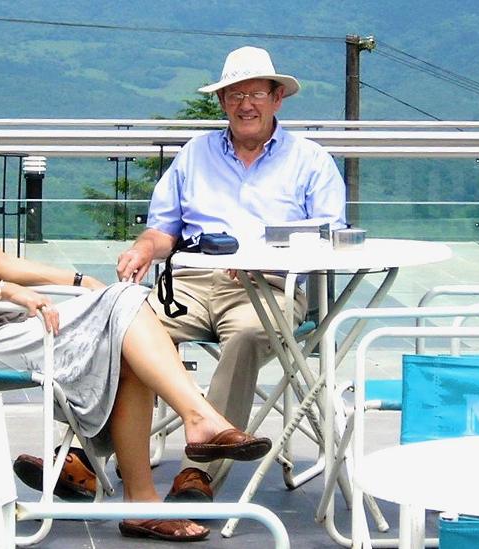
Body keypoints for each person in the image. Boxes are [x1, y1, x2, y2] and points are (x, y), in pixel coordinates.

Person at [0, 85, 273, 542]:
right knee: (126, 311)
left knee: (125, 323)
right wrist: (4, 292)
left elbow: (0, 261)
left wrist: (78, 281)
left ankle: (145, 495)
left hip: (7, 330)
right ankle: (198, 424)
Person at [24, 45, 347, 503]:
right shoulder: (195, 155)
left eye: (255, 92)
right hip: (190, 283)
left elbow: (326, 238)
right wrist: (141, 248)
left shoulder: (312, 162)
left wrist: (263, 255)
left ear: (278, 99)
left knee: (244, 339)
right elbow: (162, 232)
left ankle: (197, 473)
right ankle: (82, 457)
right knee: (122, 325)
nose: (245, 104)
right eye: (234, 94)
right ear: (222, 102)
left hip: (272, 287)